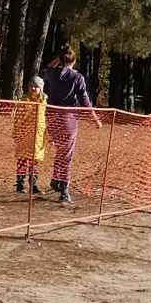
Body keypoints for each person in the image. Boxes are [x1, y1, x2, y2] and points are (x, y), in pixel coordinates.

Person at [40, 45, 101, 204]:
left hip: (51, 118)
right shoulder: (77, 77)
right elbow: (85, 100)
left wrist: (57, 60)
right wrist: (94, 118)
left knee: (60, 150)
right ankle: (64, 189)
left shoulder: (52, 74)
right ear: (74, 61)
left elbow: (45, 70)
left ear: (60, 59)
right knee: (67, 154)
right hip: (68, 119)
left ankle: (55, 179)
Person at [13, 76, 47, 194]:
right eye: (31, 86)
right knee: (22, 159)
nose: (33, 88)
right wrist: (17, 133)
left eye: (36, 86)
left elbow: (45, 119)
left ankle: (34, 184)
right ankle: (20, 184)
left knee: (35, 161)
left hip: (38, 136)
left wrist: (47, 135)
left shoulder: (44, 101)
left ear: (41, 88)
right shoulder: (24, 100)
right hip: (24, 135)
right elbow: (18, 118)